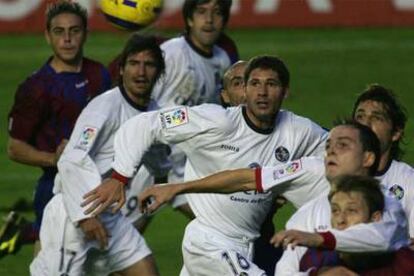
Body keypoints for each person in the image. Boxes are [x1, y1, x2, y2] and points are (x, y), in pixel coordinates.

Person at [81, 55, 328, 275]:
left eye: (271, 85)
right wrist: (120, 177)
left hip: (246, 244)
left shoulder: (298, 130)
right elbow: (144, 124)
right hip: (208, 240)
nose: (261, 92)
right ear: (244, 91)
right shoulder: (216, 121)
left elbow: (340, 150)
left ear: (285, 92)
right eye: (254, 84)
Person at [137, 121, 409, 272]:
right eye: (328, 146)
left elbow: (380, 237)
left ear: (368, 158)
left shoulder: (388, 203)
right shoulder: (310, 209)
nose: (331, 152)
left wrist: (320, 240)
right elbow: (247, 178)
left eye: (343, 145)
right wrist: (178, 188)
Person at [30, 34, 165, 275]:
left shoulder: (154, 112)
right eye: (134, 63)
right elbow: (71, 158)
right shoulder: (104, 106)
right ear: (122, 70)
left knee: (146, 270)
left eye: (149, 64)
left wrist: (163, 176)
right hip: (73, 211)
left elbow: (156, 152)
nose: (141, 72)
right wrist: (84, 218)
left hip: (109, 213)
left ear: (159, 72)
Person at [2, 0, 111, 257]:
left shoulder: (99, 74)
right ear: (47, 36)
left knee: (109, 260)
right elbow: (15, 148)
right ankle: (28, 233)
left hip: (100, 186)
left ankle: (22, 232)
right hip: (55, 189)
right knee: (52, 265)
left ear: (85, 33)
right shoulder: (36, 87)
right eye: (59, 32)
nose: (67, 39)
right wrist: (54, 158)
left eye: (74, 31)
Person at [278, 175, 414, 275]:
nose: (340, 220)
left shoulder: (403, 264)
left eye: (351, 210)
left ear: (376, 218)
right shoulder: (315, 259)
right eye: (335, 211)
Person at [352, 84, 414, 237]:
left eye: (376, 118)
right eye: (360, 116)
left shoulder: (409, 182)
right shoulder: (331, 171)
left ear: (396, 133)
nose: (365, 124)